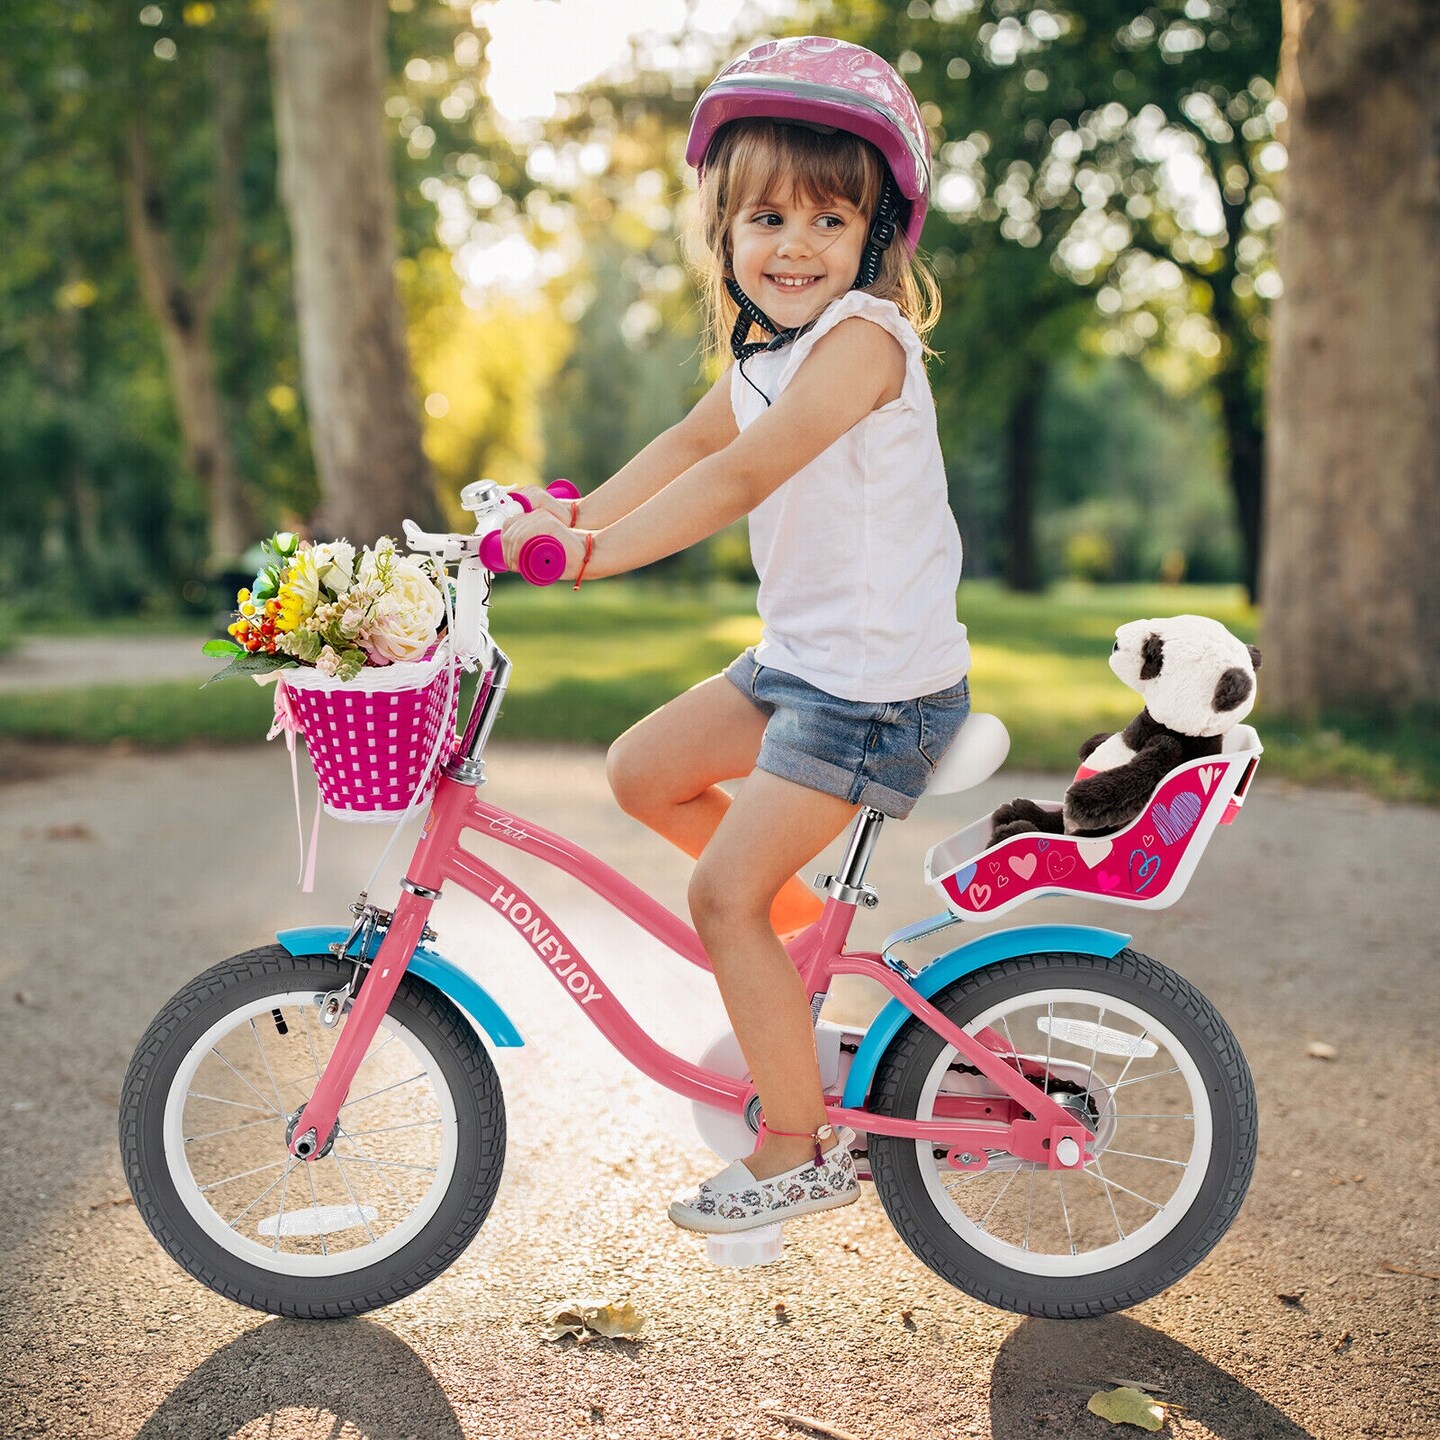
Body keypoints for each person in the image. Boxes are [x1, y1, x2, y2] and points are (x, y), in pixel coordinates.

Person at [501, 36, 971, 1233]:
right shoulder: (765, 355)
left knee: (721, 898)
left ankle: (797, 1146)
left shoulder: (863, 342)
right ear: (724, 234)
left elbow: (748, 475)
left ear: (874, 236)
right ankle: (810, 971)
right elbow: (688, 448)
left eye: (828, 218)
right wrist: (558, 517)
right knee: (642, 770)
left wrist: (596, 557)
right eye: (766, 218)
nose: (796, 245)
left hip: (875, 694)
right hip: (805, 664)